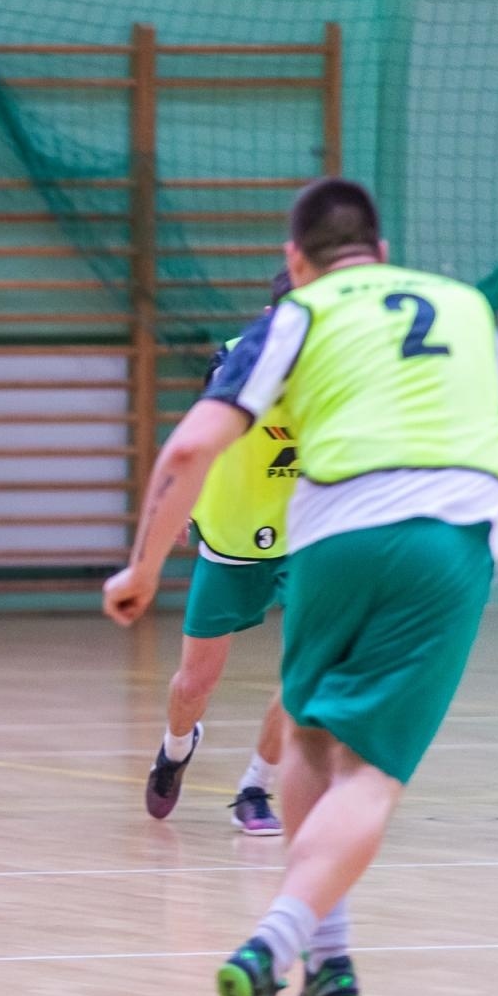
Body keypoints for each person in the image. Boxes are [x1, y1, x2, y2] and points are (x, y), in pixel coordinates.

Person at [102, 178, 498, 996]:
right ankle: (279, 945)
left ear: (295, 261)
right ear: (380, 252)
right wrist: (455, 526)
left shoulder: (294, 316)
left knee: (309, 740)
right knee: (369, 775)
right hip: (448, 536)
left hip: (331, 534)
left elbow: (190, 444)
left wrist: (142, 567)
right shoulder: (468, 308)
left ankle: (326, 956)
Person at [146, 272, 295, 836]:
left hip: (310, 535)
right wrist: (177, 503)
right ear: (271, 318)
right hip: (235, 532)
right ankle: (176, 748)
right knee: (193, 685)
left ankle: (256, 787)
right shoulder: (234, 361)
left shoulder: (351, 371)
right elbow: (198, 441)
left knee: (306, 674)